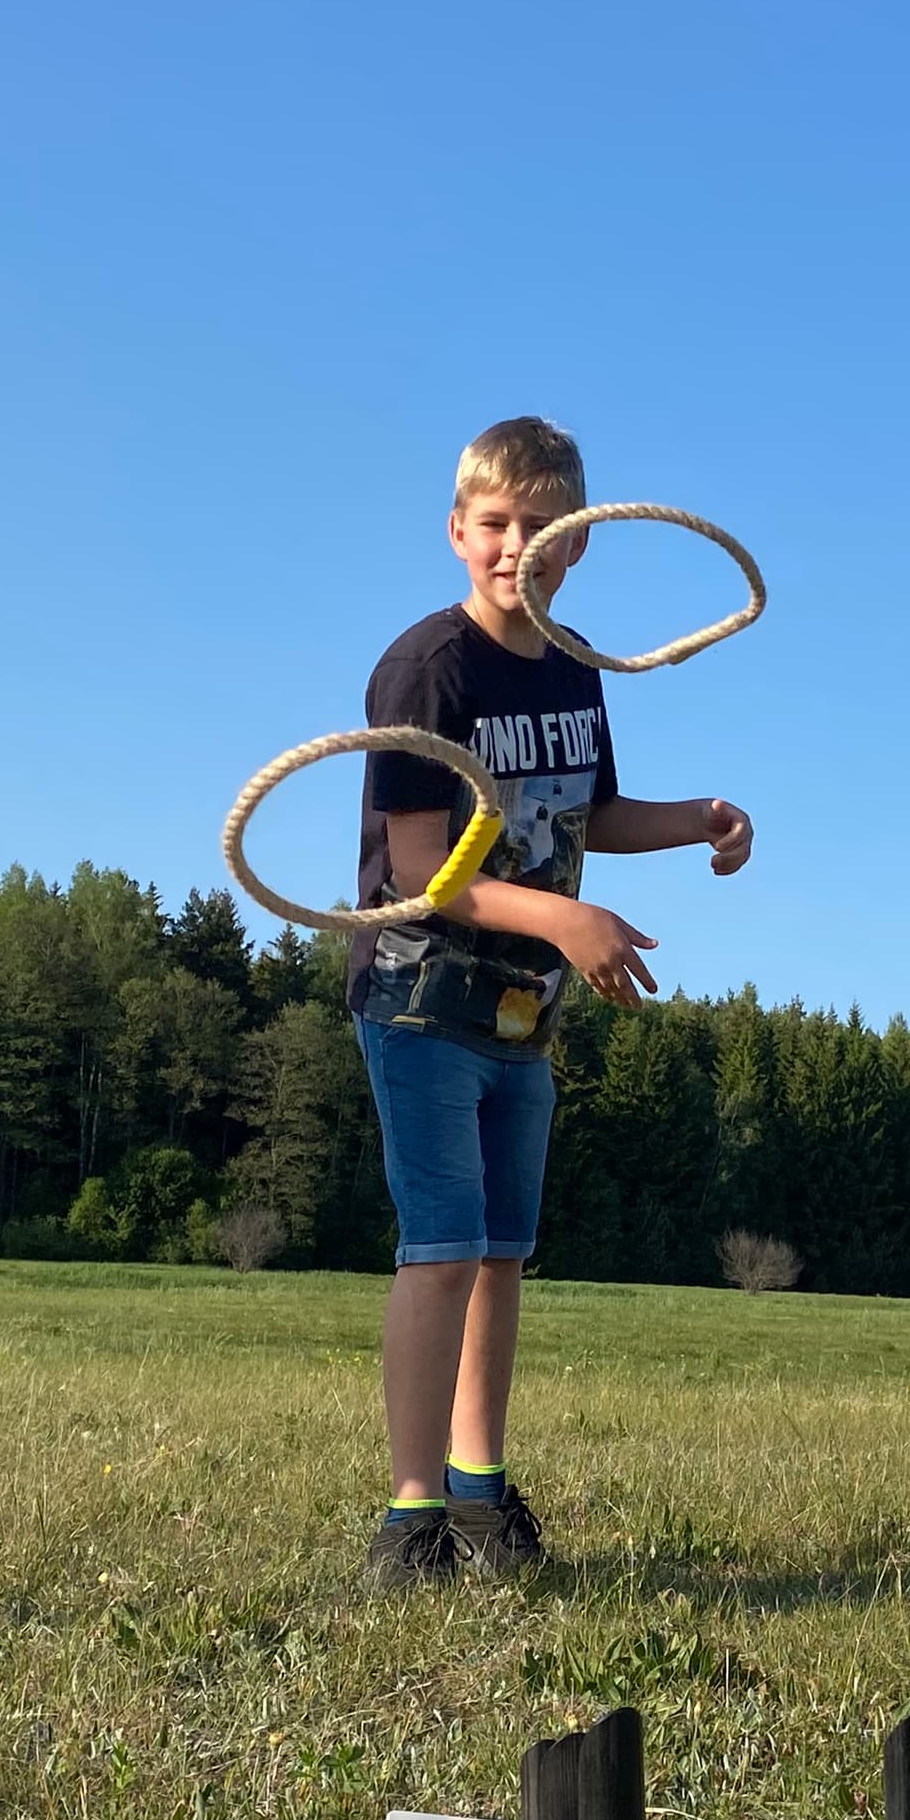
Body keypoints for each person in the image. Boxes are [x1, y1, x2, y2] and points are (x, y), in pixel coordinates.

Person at [349, 415, 755, 1583]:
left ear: (578, 543)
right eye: (494, 525)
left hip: (522, 1018)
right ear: (457, 532)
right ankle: (410, 1517)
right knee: (440, 1247)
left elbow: (590, 814)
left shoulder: (575, 667)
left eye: (540, 527)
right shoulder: (428, 671)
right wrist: (564, 919)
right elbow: (425, 869)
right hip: (421, 1000)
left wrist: (698, 822)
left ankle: (480, 1493)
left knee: (502, 1253)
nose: (515, 546)